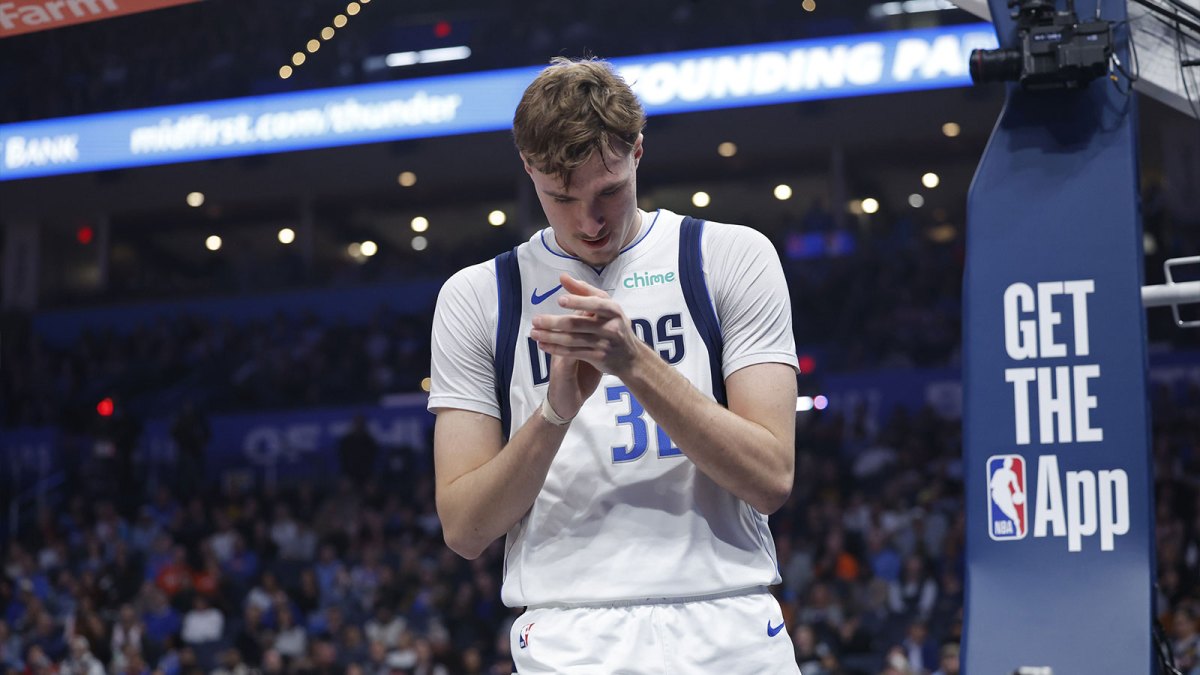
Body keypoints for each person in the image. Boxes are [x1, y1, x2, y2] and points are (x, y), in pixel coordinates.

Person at [429, 56, 800, 673]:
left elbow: (771, 479)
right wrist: (554, 411)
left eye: (608, 191)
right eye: (561, 197)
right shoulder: (477, 296)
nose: (588, 221)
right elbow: (465, 530)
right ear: (528, 169)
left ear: (637, 153)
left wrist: (633, 362)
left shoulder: (729, 257)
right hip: (568, 631)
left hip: (728, 616)